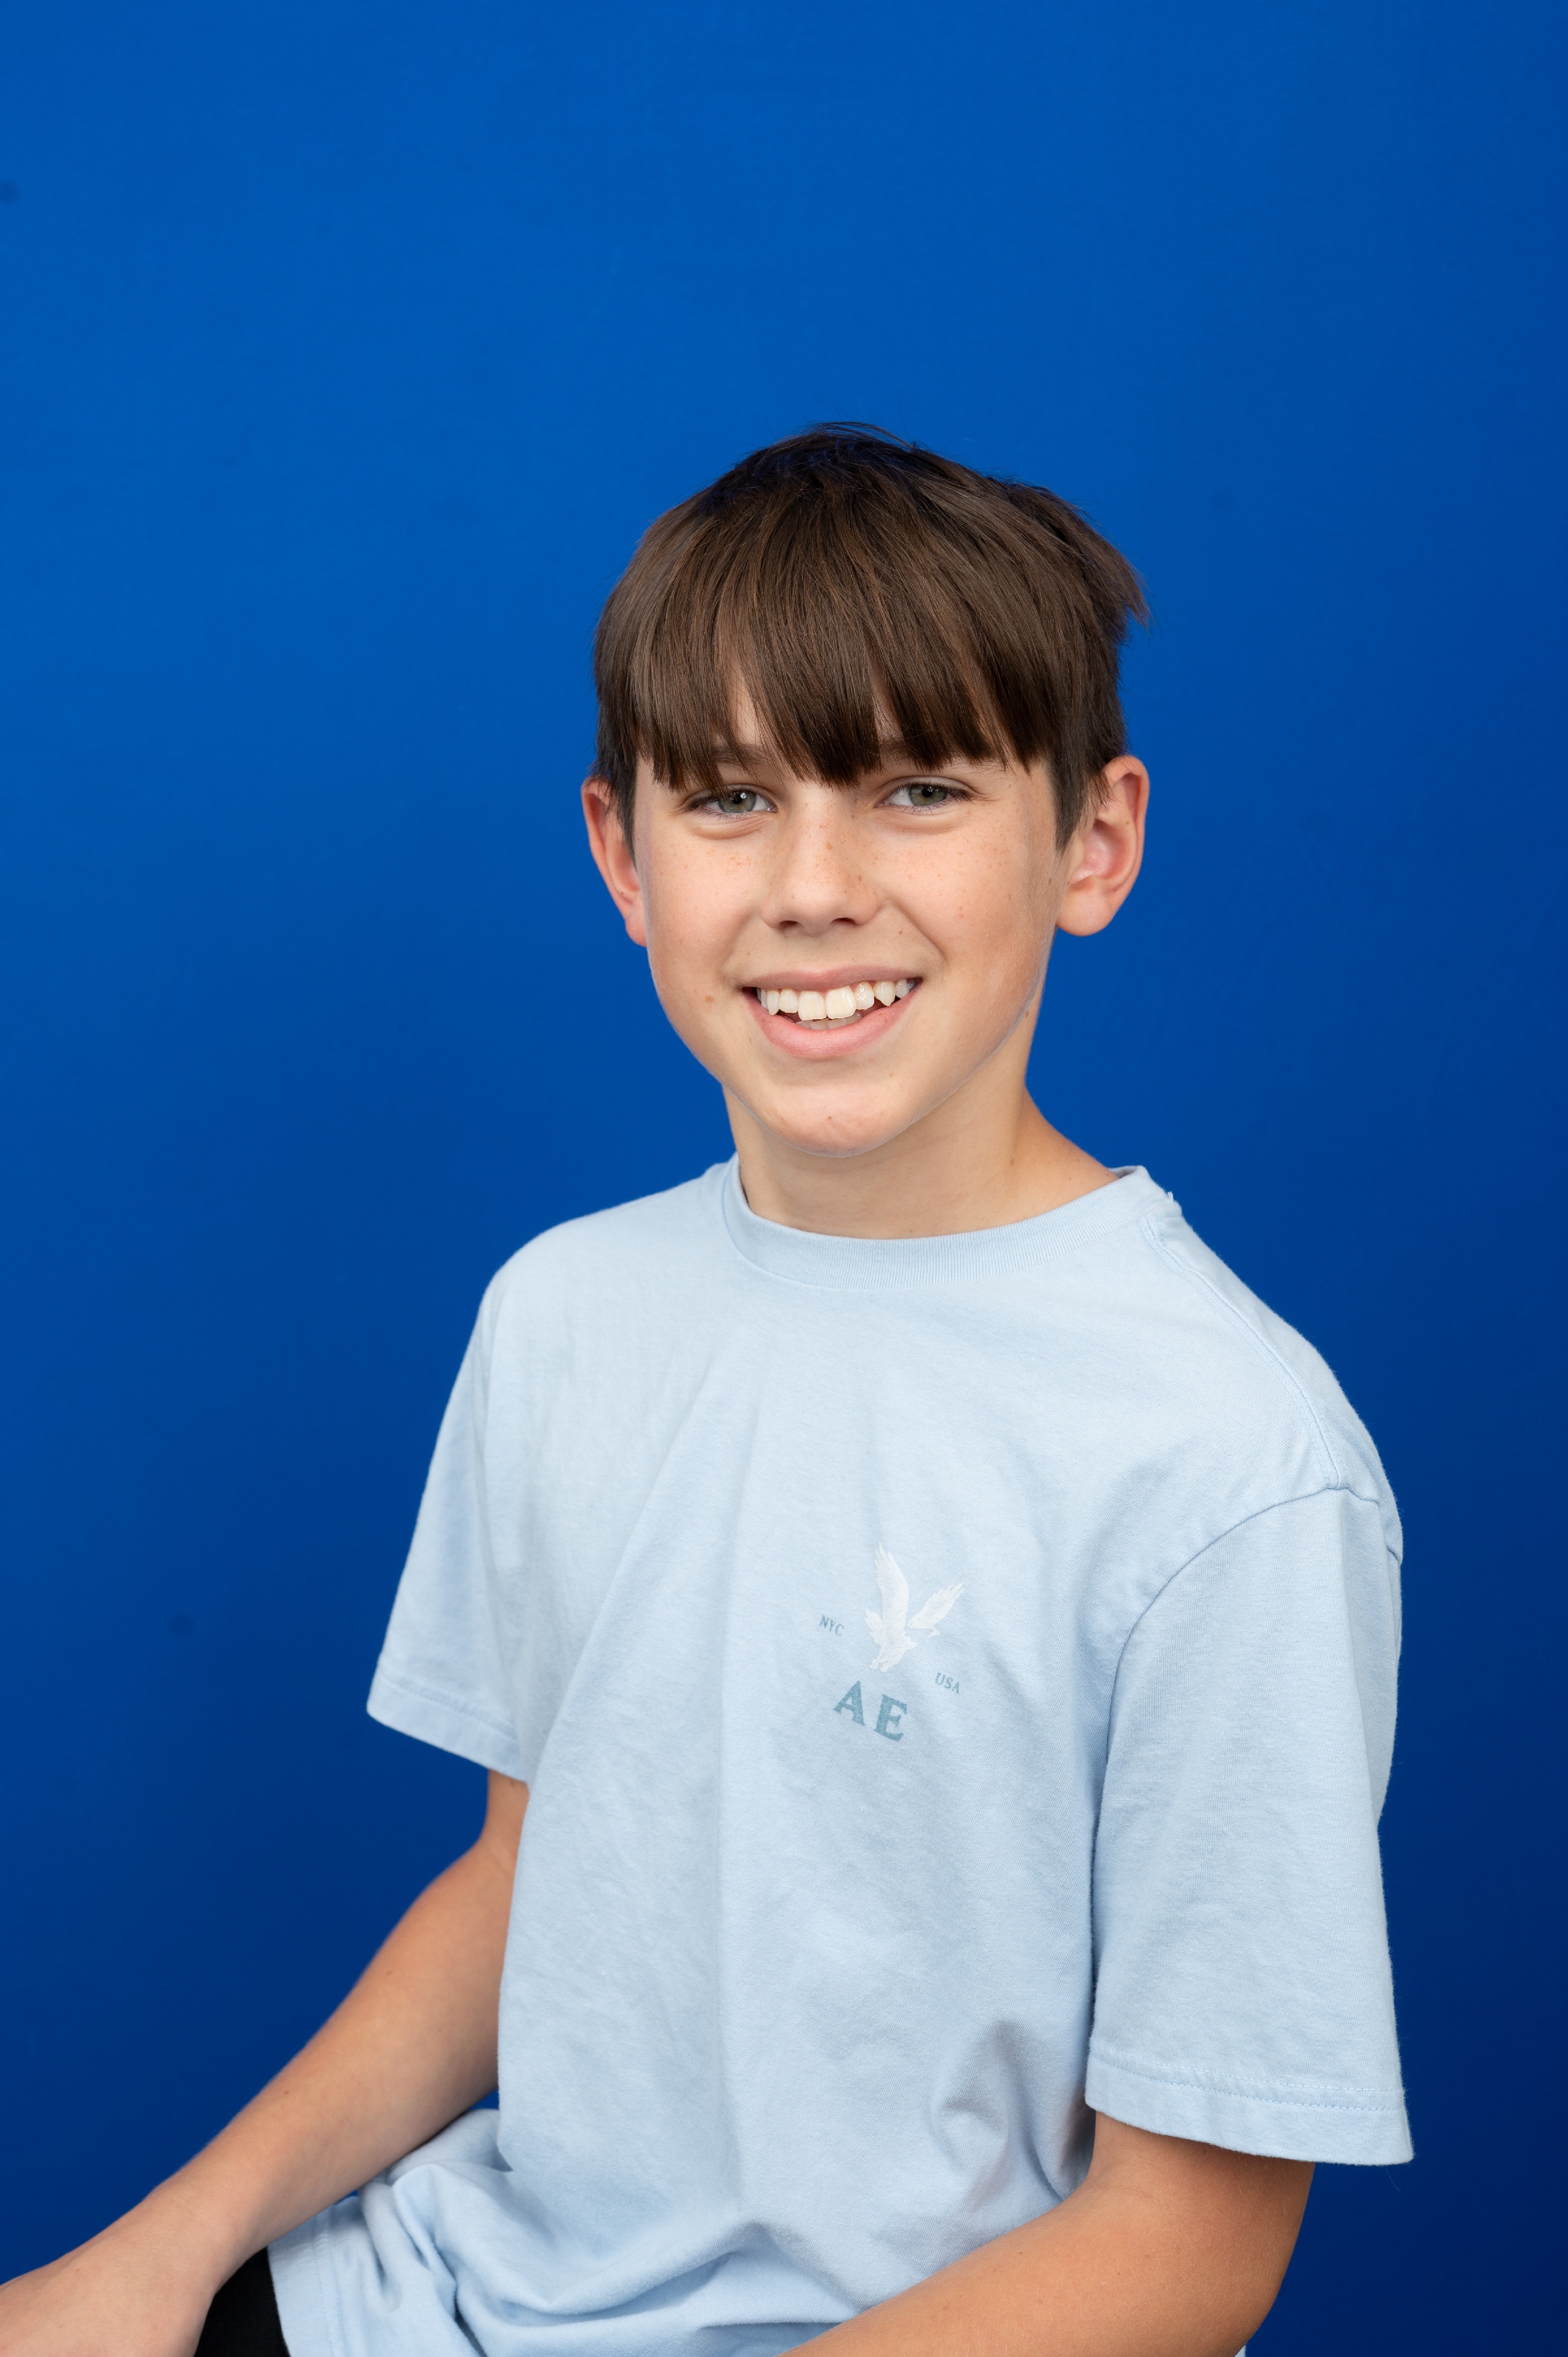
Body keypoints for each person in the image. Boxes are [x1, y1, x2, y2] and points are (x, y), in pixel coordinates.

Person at [0, 426, 1410, 2357]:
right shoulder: (564, 1314)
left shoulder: (1231, 1457)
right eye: (734, 799)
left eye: (919, 788)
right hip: (450, 2299)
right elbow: (527, 1883)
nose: (816, 888)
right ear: (623, 855)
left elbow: (1187, 2240)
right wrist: (159, 2255)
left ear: (1093, 841)